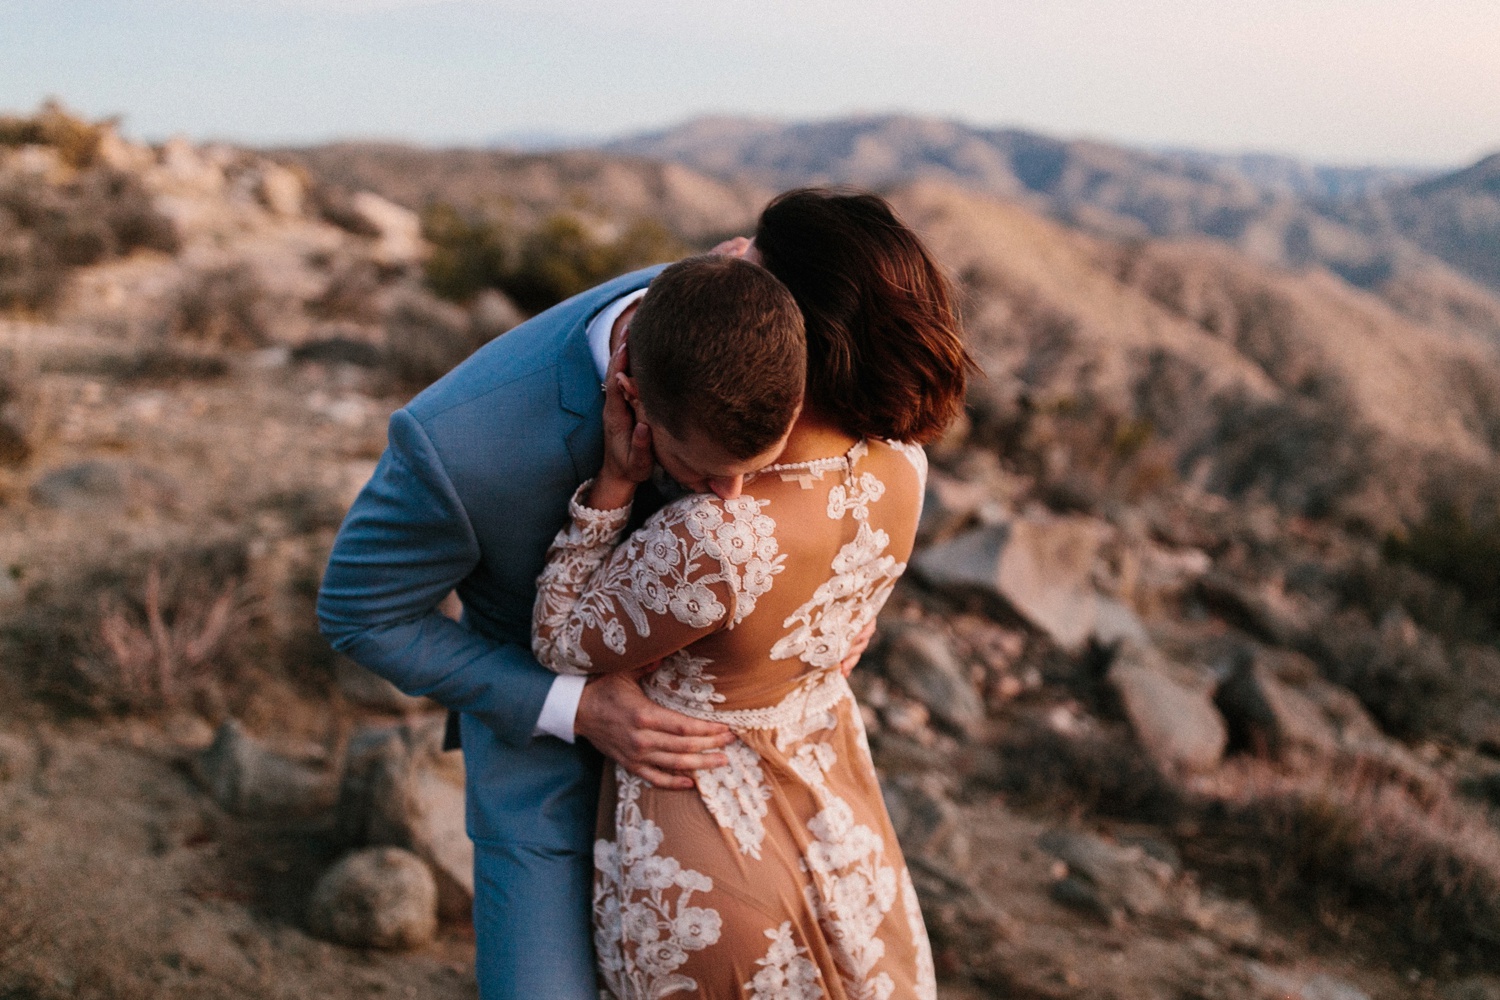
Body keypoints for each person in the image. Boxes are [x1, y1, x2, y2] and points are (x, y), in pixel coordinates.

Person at [531, 188, 974, 998]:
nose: (733, 255)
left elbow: (561, 639)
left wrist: (614, 486)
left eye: (753, 270)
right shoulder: (902, 465)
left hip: (709, 855)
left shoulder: (720, 534)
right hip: (836, 816)